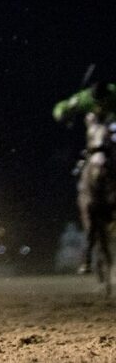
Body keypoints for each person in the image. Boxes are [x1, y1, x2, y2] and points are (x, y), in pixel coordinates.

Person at [53, 80, 116, 273]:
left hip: (112, 137)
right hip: (94, 144)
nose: (100, 104)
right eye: (97, 101)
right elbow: (60, 108)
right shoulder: (84, 98)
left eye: (103, 102)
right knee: (84, 167)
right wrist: (64, 113)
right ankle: (85, 194)